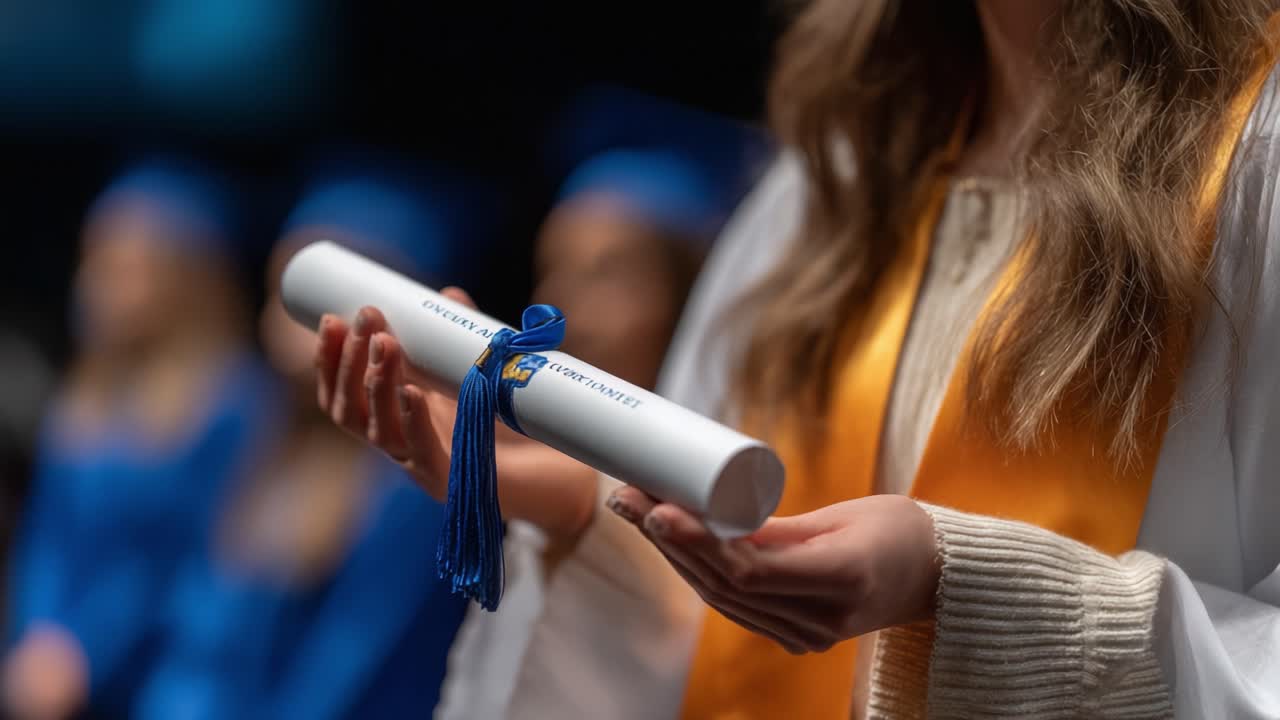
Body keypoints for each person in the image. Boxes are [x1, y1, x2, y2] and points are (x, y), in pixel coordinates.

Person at [310, 1, 1280, 717]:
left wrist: (972, 594)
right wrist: (580, 511)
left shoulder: (1259, 159)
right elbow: (722, 635)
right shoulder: (830, 179)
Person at [132, 169, 481, 720]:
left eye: (308, 302)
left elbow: (349, 664)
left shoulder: (409, 483)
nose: (279, 323)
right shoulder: (250, 433)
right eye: (279, 293)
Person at [4, 159, 275, 720]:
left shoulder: (231, 405)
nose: (102, 286)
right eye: (97, 262)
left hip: (165, 674)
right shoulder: (84, 398)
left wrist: (87, 650)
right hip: (55, 677)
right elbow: (48, 541)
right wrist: (42, 634)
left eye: (130, 268)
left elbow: (194, 558)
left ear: (187, 280)